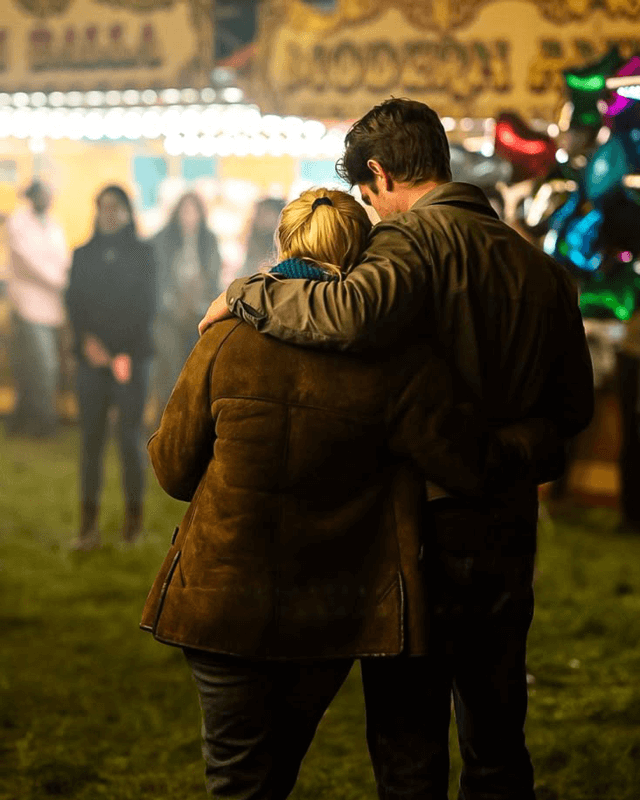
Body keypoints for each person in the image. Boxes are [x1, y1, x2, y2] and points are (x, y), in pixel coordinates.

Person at [198, 100, 595, 799]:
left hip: (417, 532)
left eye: (366, 197)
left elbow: (344, 312)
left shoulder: (406, 244)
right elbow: (571, 417)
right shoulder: (541, 270)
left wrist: (248, 293)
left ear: (379, 173)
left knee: (409, 740)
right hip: (505, 528)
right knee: (498, 733)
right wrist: (503, 460)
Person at [141, 187, 551, 800]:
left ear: (283, 243)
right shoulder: (395, 361)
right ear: (361, 256)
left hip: (220, 600)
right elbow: (470, 465)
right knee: (280, 763)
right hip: (329, 611)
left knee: (237, 779)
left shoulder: (224, 340)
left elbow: (173, 471)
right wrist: (532, 441)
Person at [65, 185, 156, 550]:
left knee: (129, 440)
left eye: (115, 207)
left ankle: (133, 524)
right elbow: (74, 302)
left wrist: (120, 351)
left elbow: (146, 306)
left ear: (128, 212)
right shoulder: (83, 255)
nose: (109, 213)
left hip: (131, 360)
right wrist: (88, 343)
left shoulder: (143, 255)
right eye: (103, 207)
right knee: (91, 442)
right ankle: (88, 527)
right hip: (91, 361)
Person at [5, 179, 69, 437]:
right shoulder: (18, 222)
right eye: (43, 194)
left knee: (31, 368)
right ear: (32, 197)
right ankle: (44, 424)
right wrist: (61, 282)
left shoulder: (54, 225)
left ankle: (23, 422)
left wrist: (62, 280)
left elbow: (61, 258)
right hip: (27, 307)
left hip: (51, 308)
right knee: (42, 367)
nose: (48, 198)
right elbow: (29, 261)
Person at [151, 192, 222, 414]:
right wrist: (172, 302)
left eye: (193, 211)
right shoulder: (163, 239)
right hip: (168, 316)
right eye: (185, 210)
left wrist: (202, 304)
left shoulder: (208, 241)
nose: (189, 216)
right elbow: (157, 278)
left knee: (197, 373)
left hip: (199, 315)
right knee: (169, 372)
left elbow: (213, 278)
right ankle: (165, 425)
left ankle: (190, 424)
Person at [236, 196, 286, 278]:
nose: (258, 216)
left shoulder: (283, 245)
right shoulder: (254, 239)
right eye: (258, 212)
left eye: (265, 213)